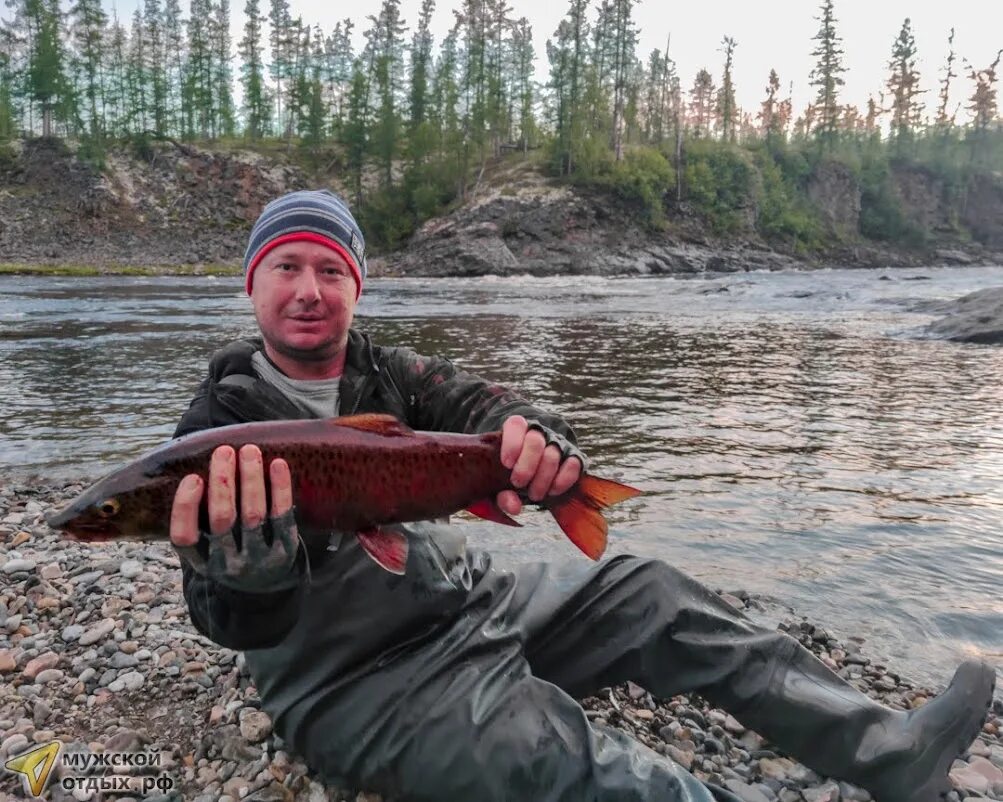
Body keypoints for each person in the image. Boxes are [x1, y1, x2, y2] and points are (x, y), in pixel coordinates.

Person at [168, 189, 994, 802]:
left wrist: (538, 433)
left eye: (329, 269)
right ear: (252, 285)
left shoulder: (391, 374)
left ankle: (890, 752)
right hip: (356, 683)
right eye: (286, 267)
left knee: (653, 593)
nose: (308, 289)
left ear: (357, 288)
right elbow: (219, 621)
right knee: (584, 771)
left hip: (469, 608)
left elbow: (487, 407)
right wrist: (247, 577)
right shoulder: (214, 426)